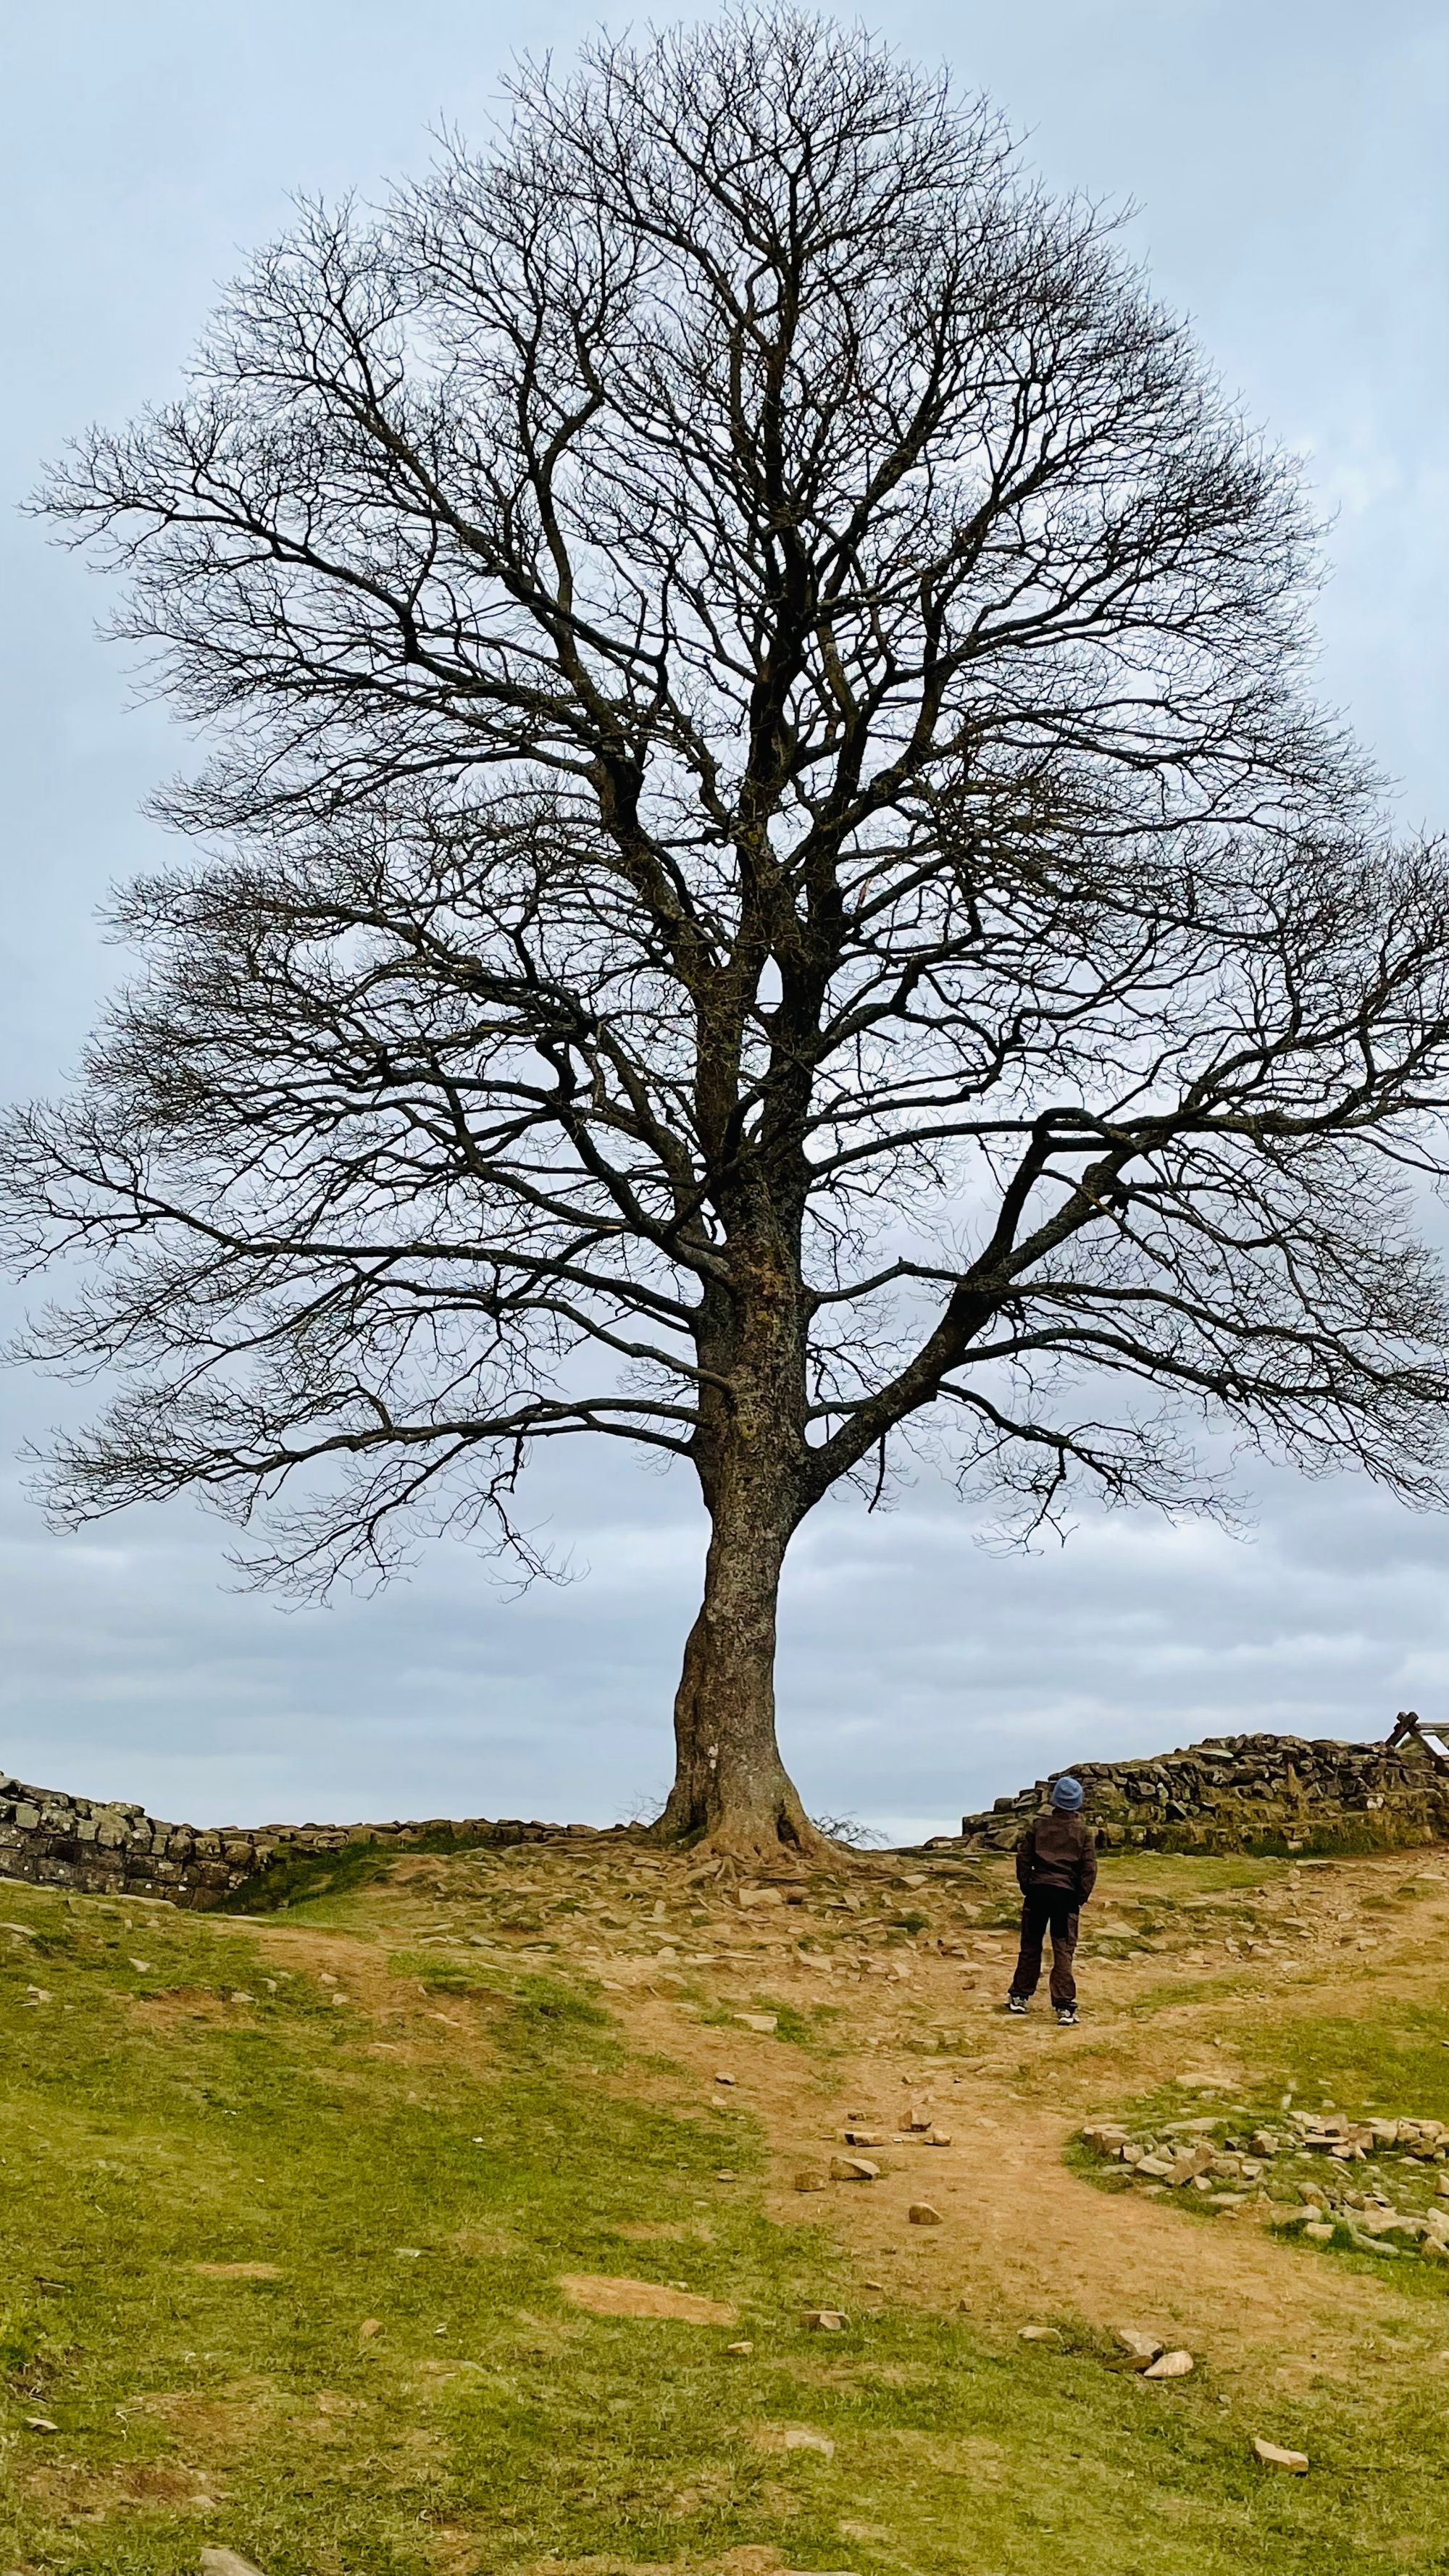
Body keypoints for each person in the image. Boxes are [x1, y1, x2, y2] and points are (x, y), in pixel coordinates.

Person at [1006, 1774, 1097, 2025]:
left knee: (1031, 1946)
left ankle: (1019, 1996)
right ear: (1078, 1803)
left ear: (1054, 1800)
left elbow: (1023, 1858)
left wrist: (1027, 1886)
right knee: (1063, 1951)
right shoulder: (1084, 1833)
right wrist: (1079, 1897)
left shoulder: (1038, 1826)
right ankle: (1065, 2006)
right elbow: (1089, 1869)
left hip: (1038, 1892)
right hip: (1065, 1897)